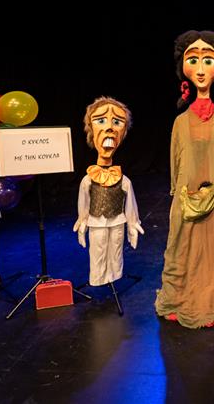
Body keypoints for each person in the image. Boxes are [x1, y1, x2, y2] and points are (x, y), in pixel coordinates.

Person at [155, 30, 214, 328]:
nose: (200, 69)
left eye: (208, 60)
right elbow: (176, 161)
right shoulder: (180, 121)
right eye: (192, 60)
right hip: (188, 195)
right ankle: (183, 294)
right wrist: (178, 194)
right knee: (185, 243)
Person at [73, 96, 144, 287]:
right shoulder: (88, 180)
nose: (110, 128)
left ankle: (115, 276)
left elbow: (130, 204)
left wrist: (133, 223)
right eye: (101, 120)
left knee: (116, 251)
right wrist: (82, 221)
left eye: (117, 122)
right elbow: (84, 203)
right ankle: (98, 280)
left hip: (118, 220)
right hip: (96, 222)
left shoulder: (124, 180)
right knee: (97, 251)